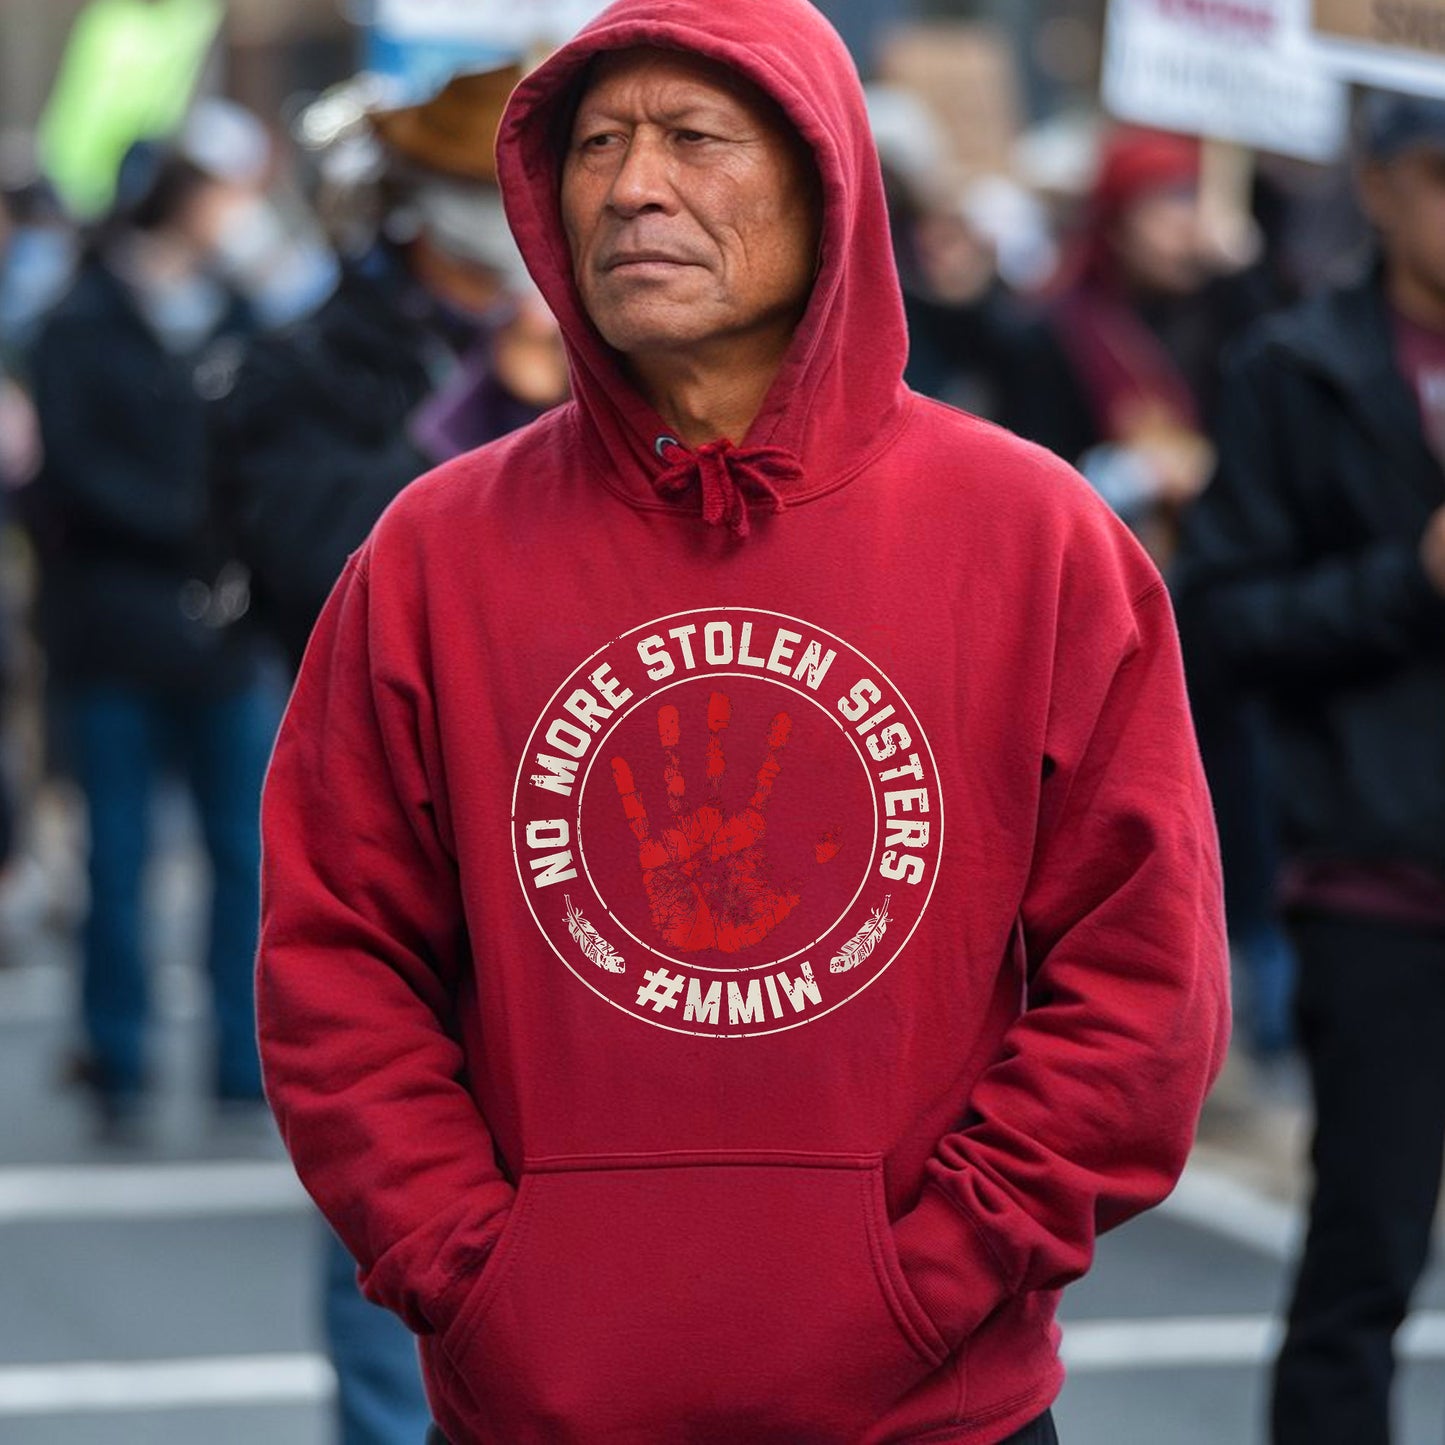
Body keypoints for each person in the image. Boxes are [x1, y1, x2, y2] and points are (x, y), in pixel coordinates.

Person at [257, 3, 1230, 1442]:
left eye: (694, 138)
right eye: (595, 144)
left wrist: (940, 1268)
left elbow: (1144, 979)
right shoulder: (431, 552)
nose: (633, 186)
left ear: (825, 180)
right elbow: (337, 961)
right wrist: (472, 1269)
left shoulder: (1032, 536)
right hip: (543, 1403)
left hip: (932, 1410)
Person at [210, 62, 566, 1445]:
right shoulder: (311, 361)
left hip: (568, 817)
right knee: (396, 1173)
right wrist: (484, 419)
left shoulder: (608, 334)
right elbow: (313, 561)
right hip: (397, 811)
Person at [1177, 91, 1445, 1445]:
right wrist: (1411, 580)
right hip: (1380, 877)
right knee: (1364, 1259)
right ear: (1381, 185)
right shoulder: (1297, 364)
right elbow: (1222, 620)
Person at [27, 136, 280, 1137]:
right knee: (119, 853)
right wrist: (195, 526)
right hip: (114, 628)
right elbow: (72, 472)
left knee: (241, 854)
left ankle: (239, 1057)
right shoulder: (77, 322)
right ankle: (118, 1059)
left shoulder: (243, 312)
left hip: (224, 635)